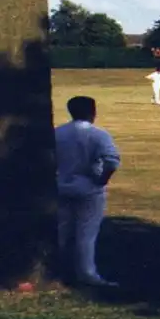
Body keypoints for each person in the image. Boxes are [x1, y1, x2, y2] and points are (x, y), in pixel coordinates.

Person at [54, 96, 121, 288]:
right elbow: (111, 160)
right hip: (89, 188)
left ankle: (55, 269)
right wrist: (102, 180)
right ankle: (86, 273)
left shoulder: (58, 133)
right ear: (92, 112)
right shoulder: (98, 135)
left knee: (61, 230)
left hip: (61, 185)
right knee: (86, 233)